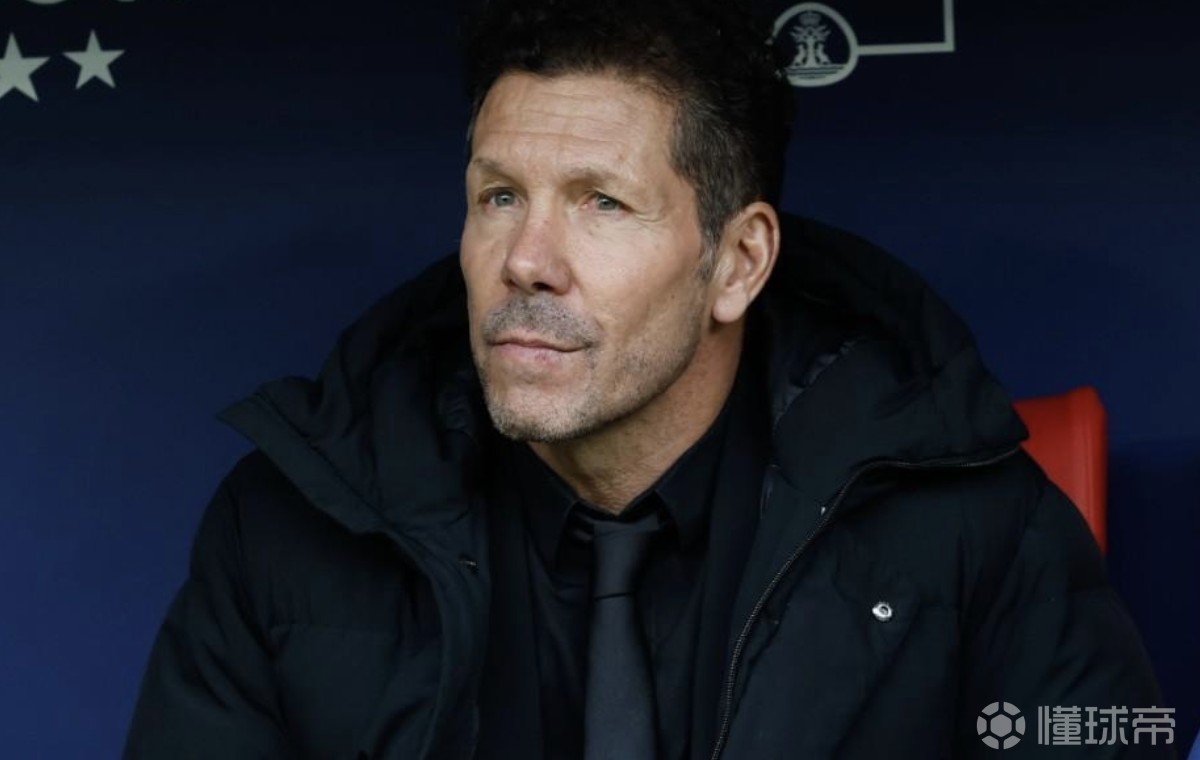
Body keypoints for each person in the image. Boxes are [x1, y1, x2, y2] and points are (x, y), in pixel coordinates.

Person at [124, 1, 1171, 758]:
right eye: (498, 196)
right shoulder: (287, 528)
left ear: (739, 262)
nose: (526, 261)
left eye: (602, 203)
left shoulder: (978, 528)